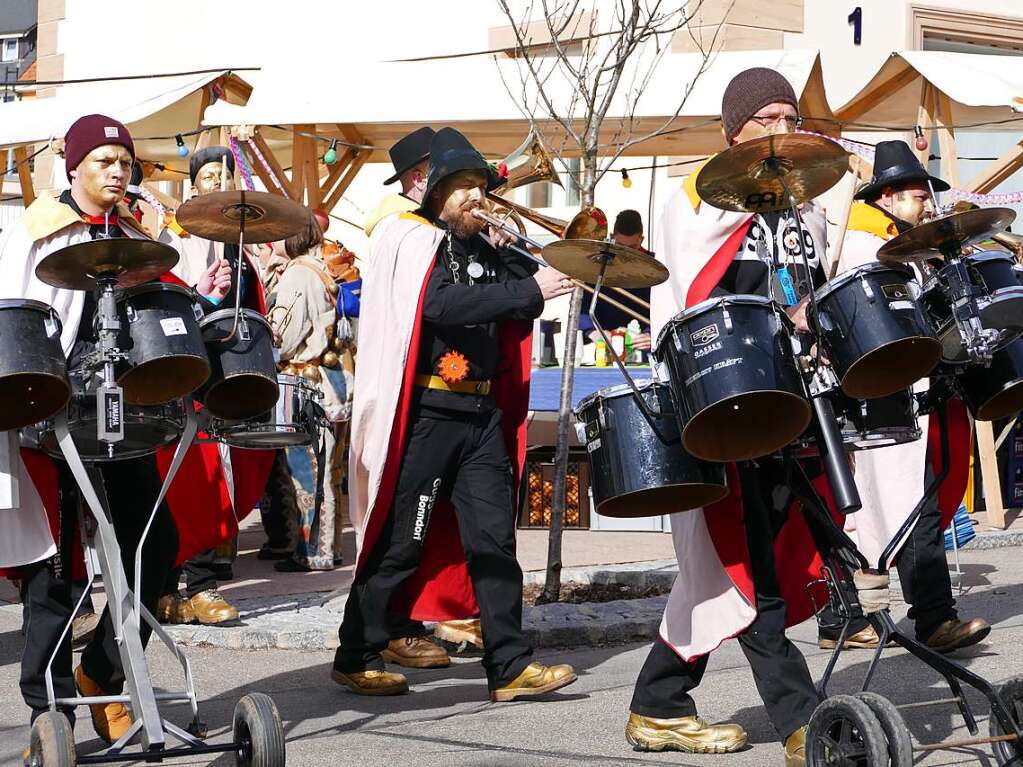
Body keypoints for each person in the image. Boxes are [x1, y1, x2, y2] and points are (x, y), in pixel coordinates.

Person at [632, 68, 836, 766]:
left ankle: (657, 702)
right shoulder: (696, 201)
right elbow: (691, 299)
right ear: (734, 131)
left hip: (793, 401)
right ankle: (801, 722)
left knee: (750, 558)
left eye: (790, 114)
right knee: (748, 560)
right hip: (729, 402)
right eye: (766, 117)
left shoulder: (807, 207)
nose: (782, 128)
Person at [335, 128, 577, 701]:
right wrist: (531, 292)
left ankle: (510, 666)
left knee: (496, 544)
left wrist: (565, 261)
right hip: (428, 415)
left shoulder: (486, 247)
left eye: (478, 186)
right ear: (433, 194)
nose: (474, 196)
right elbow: (441, 304)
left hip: (482, 417)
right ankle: (356, 652)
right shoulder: (416, 240)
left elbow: (523, 288)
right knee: (402, 541)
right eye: (460, 187)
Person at [0, 115, 179, 744]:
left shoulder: (136, 233)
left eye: (123, 161)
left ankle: (103, 671)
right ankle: (52, 710)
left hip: (123, 418)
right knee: (58, 571)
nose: (116, 171)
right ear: (74, 167)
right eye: (102, 160)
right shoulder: (37, 232)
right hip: (51, 417)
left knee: (154, 549)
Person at [822, 139, 986, 653]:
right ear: (887, 198)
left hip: (913, 386)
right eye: (917, 197)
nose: (927, 206)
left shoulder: (911, 246)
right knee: (863, 507)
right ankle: (846, 619)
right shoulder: (859, 241)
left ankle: (930, 616)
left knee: (917, 503)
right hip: (874, 388)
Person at [155, 146, 249, 627]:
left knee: (215, 471)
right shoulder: (171, 236)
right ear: (192, 185)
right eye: (208, 175)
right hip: (176, 367)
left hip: (217, 370)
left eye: (223, 175)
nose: (215, 183)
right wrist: (203, 292)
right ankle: (179, 585)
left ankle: (203, 577)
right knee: (184, 473)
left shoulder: (237, 241)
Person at [267, 209, 349, 571]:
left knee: (307, 469)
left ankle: (313, 551)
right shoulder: (323, 270)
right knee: (330, 470)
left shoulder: (298, 275)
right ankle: (330, 546)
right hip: (332, 384)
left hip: (306, 384)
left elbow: (283, 337)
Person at [580, 209, 651, 354]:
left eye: (632, 248)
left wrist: (651, 334)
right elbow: (582, 307)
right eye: (620, 247)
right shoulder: (597, 264)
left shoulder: (654, 266)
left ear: (641, 240)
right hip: (601, 347)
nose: (625, 253)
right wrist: (592, 332)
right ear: (612, 237)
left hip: (643, 348)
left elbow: (664, 308)